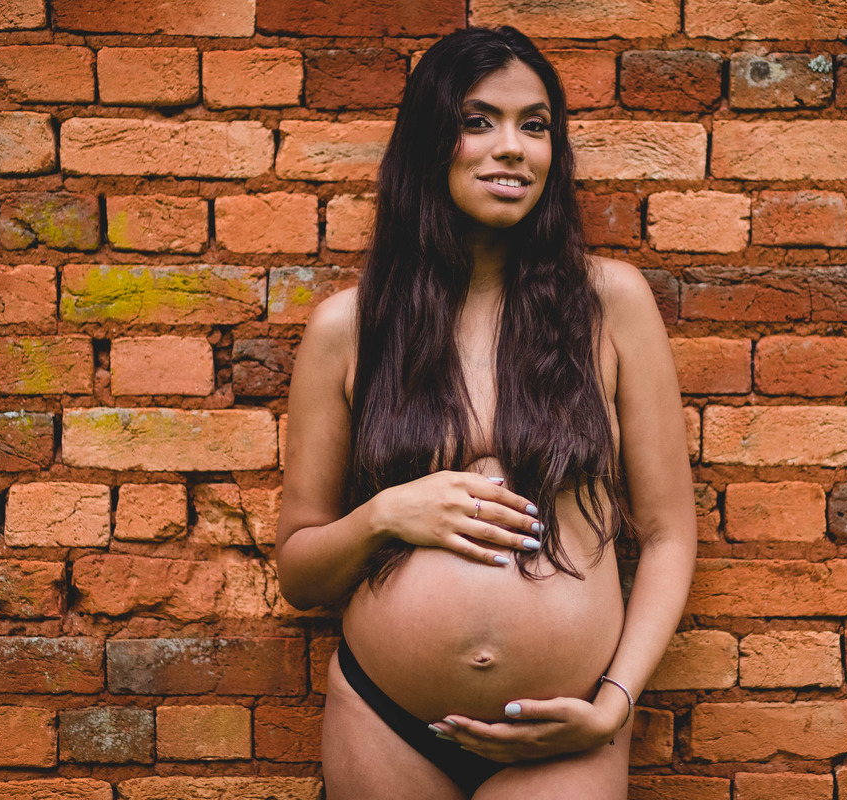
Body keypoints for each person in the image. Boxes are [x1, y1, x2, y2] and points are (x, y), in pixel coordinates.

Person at [275, 25, 697, 800]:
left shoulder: (611, 306)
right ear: (431, 142)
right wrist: (384, 516)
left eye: (534, 126)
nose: (512, 148)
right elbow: (299, 571)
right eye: (479, 121)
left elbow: (670, 533)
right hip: (386, 721)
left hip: (564, 731)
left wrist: (613, 705)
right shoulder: (348, 328)